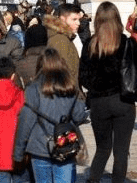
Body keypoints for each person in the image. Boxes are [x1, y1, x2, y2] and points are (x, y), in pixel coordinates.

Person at [79, 1, 137, 183]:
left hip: (99, 102)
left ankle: (93, 180)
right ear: (117, 19)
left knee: (102, 149)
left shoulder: (90, 45)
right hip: (123, 102)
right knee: (121, 151)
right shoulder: (127, 43)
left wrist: (96, 85)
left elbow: (83, 77)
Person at [14, 48, 88, 183]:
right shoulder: (70, 87)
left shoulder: (32, 88)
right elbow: (79, 116)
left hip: (39, 147)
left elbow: (26, 122)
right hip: (65, 144)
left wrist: (18, 152)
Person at [44, 3, 82, 85]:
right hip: (66, 93)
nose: (78, 23)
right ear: (62, 19)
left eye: (79, 20)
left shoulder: (66, 38)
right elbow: (63, 75)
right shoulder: (60, 41)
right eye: (74, 19)